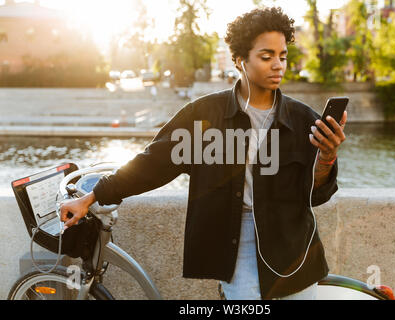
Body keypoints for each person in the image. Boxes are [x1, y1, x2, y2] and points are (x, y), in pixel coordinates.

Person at [60, 7, 347, 300]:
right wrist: (93, 196)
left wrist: (327, 157)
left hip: (294, 251)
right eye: (266, 56)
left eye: (283, 56)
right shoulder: (203, 116)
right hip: (236, 244)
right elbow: (152, 163)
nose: (278, 65)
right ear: (239, 60)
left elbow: (316, 196)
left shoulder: (304, 120)